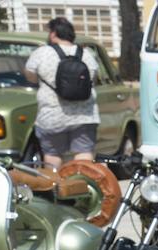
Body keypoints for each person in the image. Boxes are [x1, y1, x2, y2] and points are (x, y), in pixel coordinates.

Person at [22, 17, 99, 169]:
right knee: (84, 153)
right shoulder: (86, 54)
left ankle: (54, 187)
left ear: (53, 33)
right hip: (84, 115)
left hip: (52, 115)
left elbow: (30, 75)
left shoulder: (42, 53)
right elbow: (94, 78)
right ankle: (83, 186)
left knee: (52, 155)